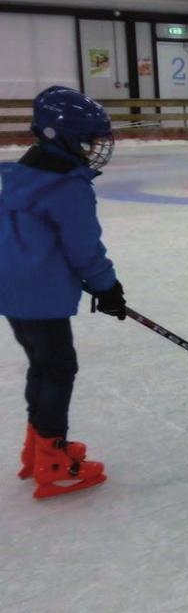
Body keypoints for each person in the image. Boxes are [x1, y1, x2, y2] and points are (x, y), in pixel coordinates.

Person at [1, 86, 127, 499]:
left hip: (13, 291)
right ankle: (54, 461)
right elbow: (84, 248)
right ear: (63, 137)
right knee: (57, 368)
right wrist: (108, 288)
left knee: (43, 365)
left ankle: (38, 446)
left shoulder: (24, 173)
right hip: (40, 295)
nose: (94, 148)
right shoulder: (67, 187)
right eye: (88, 139)